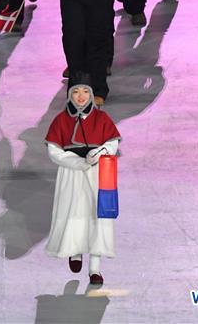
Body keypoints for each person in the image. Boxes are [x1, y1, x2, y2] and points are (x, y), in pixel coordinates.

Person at [44, 74, 121, 286]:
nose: (80, 96)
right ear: (70, 94)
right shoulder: (61, 120)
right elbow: (54, 151)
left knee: (97, 216)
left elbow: (113, 143)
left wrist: (99, 152)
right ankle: (74, 251)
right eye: (76, 91)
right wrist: (77, 163)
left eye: (85, 91)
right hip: (72, 174)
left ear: (92, 94)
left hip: (98, 175)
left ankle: (94, 268)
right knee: (74, 213)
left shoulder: (102, 119)